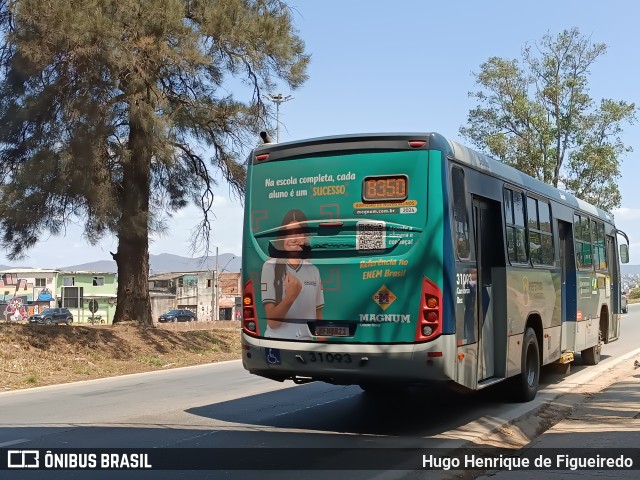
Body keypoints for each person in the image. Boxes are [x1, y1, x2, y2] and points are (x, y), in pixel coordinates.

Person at [261, 209, 324, 339]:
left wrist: (324, 348)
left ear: (306, 237)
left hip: (307, 345)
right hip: (277, 344)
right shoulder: (270, 266)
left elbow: (318, 318)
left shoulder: (313, 271)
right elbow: (272, 323)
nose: (294, 239)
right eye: (288, 234)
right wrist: (291, 296)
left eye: (298, 233)